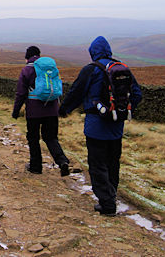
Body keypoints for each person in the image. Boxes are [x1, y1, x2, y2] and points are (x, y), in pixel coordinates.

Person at [59, 36, 142, 216]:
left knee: (97, 165)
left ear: (93, 52)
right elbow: (137, 94)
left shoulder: (91, 70)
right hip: (116, 127)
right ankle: (111, 196)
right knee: (113, 163)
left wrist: (64, 110)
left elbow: (76, 92)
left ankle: (107, 204)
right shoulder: (122, 68)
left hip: (96, 126)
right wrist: (123, 111)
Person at [12, 46, 70, 176]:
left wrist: (16, 110)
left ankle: (36, 167)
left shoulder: (27, 70)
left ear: (27, 57)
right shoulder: (50, 69)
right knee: (51, 137)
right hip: (52, 110)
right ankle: (62, 161)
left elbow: (21, 93)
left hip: (34, 112)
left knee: (33, 138)